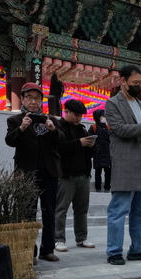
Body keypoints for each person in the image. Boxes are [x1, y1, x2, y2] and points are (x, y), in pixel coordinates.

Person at [104, 65, 141, 265]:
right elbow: (120, 129)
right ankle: (114, 252)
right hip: (126, 165)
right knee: (119, 210)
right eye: (135, 83)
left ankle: (138, 249)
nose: (139, 86)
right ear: (123, 81)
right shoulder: (112, 104)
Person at [6, 82, 64, 263]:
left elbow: (62, 141)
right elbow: (9, 141)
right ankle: (29, 250)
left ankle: (48, 249)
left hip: (49, 172)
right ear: (22, 99)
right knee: (27, 213)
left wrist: (53, 130)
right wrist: (22, 128)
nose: (33, 101)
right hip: (26, 173)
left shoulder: (51, 120)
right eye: (29, 97)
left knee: (49, 212)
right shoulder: (15, 120)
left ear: (41, 101)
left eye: (37, 98)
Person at [54, 99, 96, 252]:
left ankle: (82, 238)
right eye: (76, 115)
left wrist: (92, 146)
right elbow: (59, 149)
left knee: (81, 209)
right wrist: (79, 143)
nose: (79, 118)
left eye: (81, 115)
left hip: (83, 174)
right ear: (67, 112)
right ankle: (58, 239)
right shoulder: (58, 127)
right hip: (66, 176)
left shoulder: (83, 129)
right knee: (61, 209)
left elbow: (89, 153)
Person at [90, 108, 112, 192]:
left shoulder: (108, 127)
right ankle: (98, 187)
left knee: (108, 172)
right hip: (98, 153)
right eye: (102, 116)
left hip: (107, 153)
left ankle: (107, 187)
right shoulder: (94, 127)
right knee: (98, 172)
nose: (104, 118)